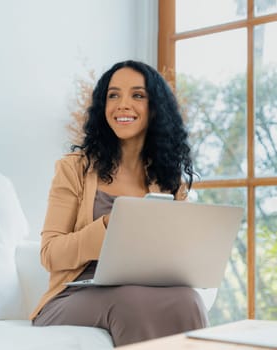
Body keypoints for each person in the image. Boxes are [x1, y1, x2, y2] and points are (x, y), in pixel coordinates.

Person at [31, 60, 208, 347]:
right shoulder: (73, 169)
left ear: (155, 109)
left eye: (137, 95)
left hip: (144, 285)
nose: (123, 104)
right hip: (71, 295)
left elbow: (177, 254)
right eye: (113, 95)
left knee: (188, 299)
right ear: (103, 106)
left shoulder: (168, 178)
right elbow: (49, 254)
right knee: (131, 300)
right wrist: (106, 228)